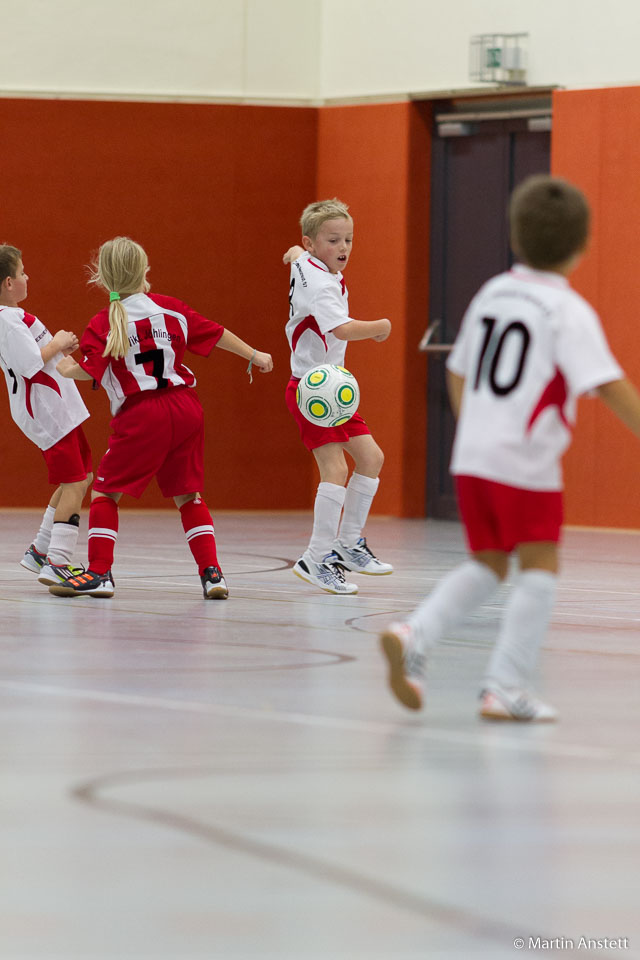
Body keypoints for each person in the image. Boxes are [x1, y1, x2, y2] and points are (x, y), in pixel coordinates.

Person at [380, 174, 640, 721]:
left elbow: (457, 370)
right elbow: (610, 386)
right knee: (540, 564)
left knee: (490, 562)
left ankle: (414, 634)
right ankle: (504, 685)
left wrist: (477, 430)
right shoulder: (568, 310)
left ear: (516, 237)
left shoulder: (493, 293)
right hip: (524, 462)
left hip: (473, 456)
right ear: (584, 243)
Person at [50, 236, 273, 599]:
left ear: (102, 278)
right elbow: (216, 333)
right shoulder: (171, 309)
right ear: (145, 271)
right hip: (186, 408)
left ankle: (99, 572)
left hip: (141, 414)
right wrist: (254, 354)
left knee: (106, 492)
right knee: (189, 496)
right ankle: (212, 574)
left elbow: (90, 371)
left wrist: (64, 367)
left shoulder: (104, 322)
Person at [283, 198, 393, 595]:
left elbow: (293, 254)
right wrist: (381, 326)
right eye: (333, 240)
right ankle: (315, 558)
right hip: (311, 391)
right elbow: (342, 329)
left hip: (333, 388)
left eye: (348, 239)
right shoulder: (323, 286)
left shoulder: (308, 262)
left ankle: (348, 545)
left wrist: (293, 253)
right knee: (335, 470)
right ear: (313, 243)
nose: (343, 247)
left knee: (371, 458)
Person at [0, 244, 93, 586]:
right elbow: (29, 364)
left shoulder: (16, 317)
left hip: (61, 408)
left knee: (82, 476)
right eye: (22, 272)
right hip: (46, 411)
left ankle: (40, 551)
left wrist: (59, 348)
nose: (28, 277)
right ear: (9, 282)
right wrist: (57, 342)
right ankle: (58, 562)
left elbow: (39, 355)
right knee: (74, 482)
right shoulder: (7, 321)